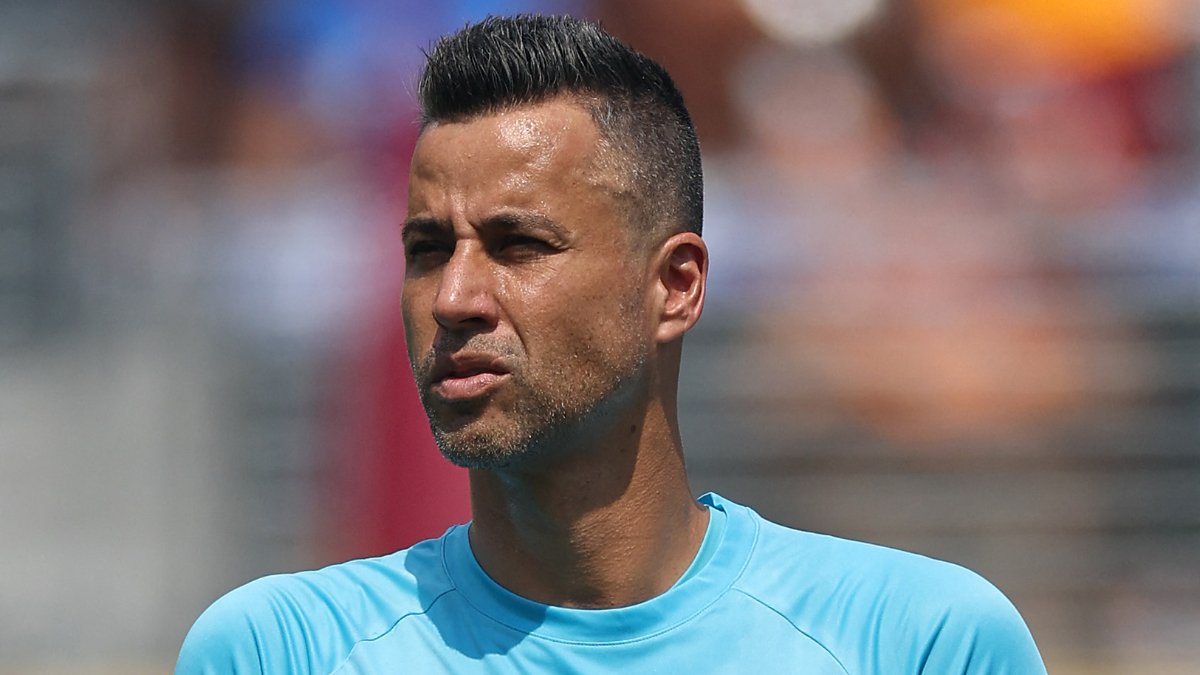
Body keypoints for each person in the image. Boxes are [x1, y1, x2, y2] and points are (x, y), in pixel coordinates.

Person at [176, 14, 1047, 674]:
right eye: (428, 250)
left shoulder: (917, 641)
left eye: (520, 245)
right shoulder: (280, 649)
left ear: (676, 286)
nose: (453, 298)